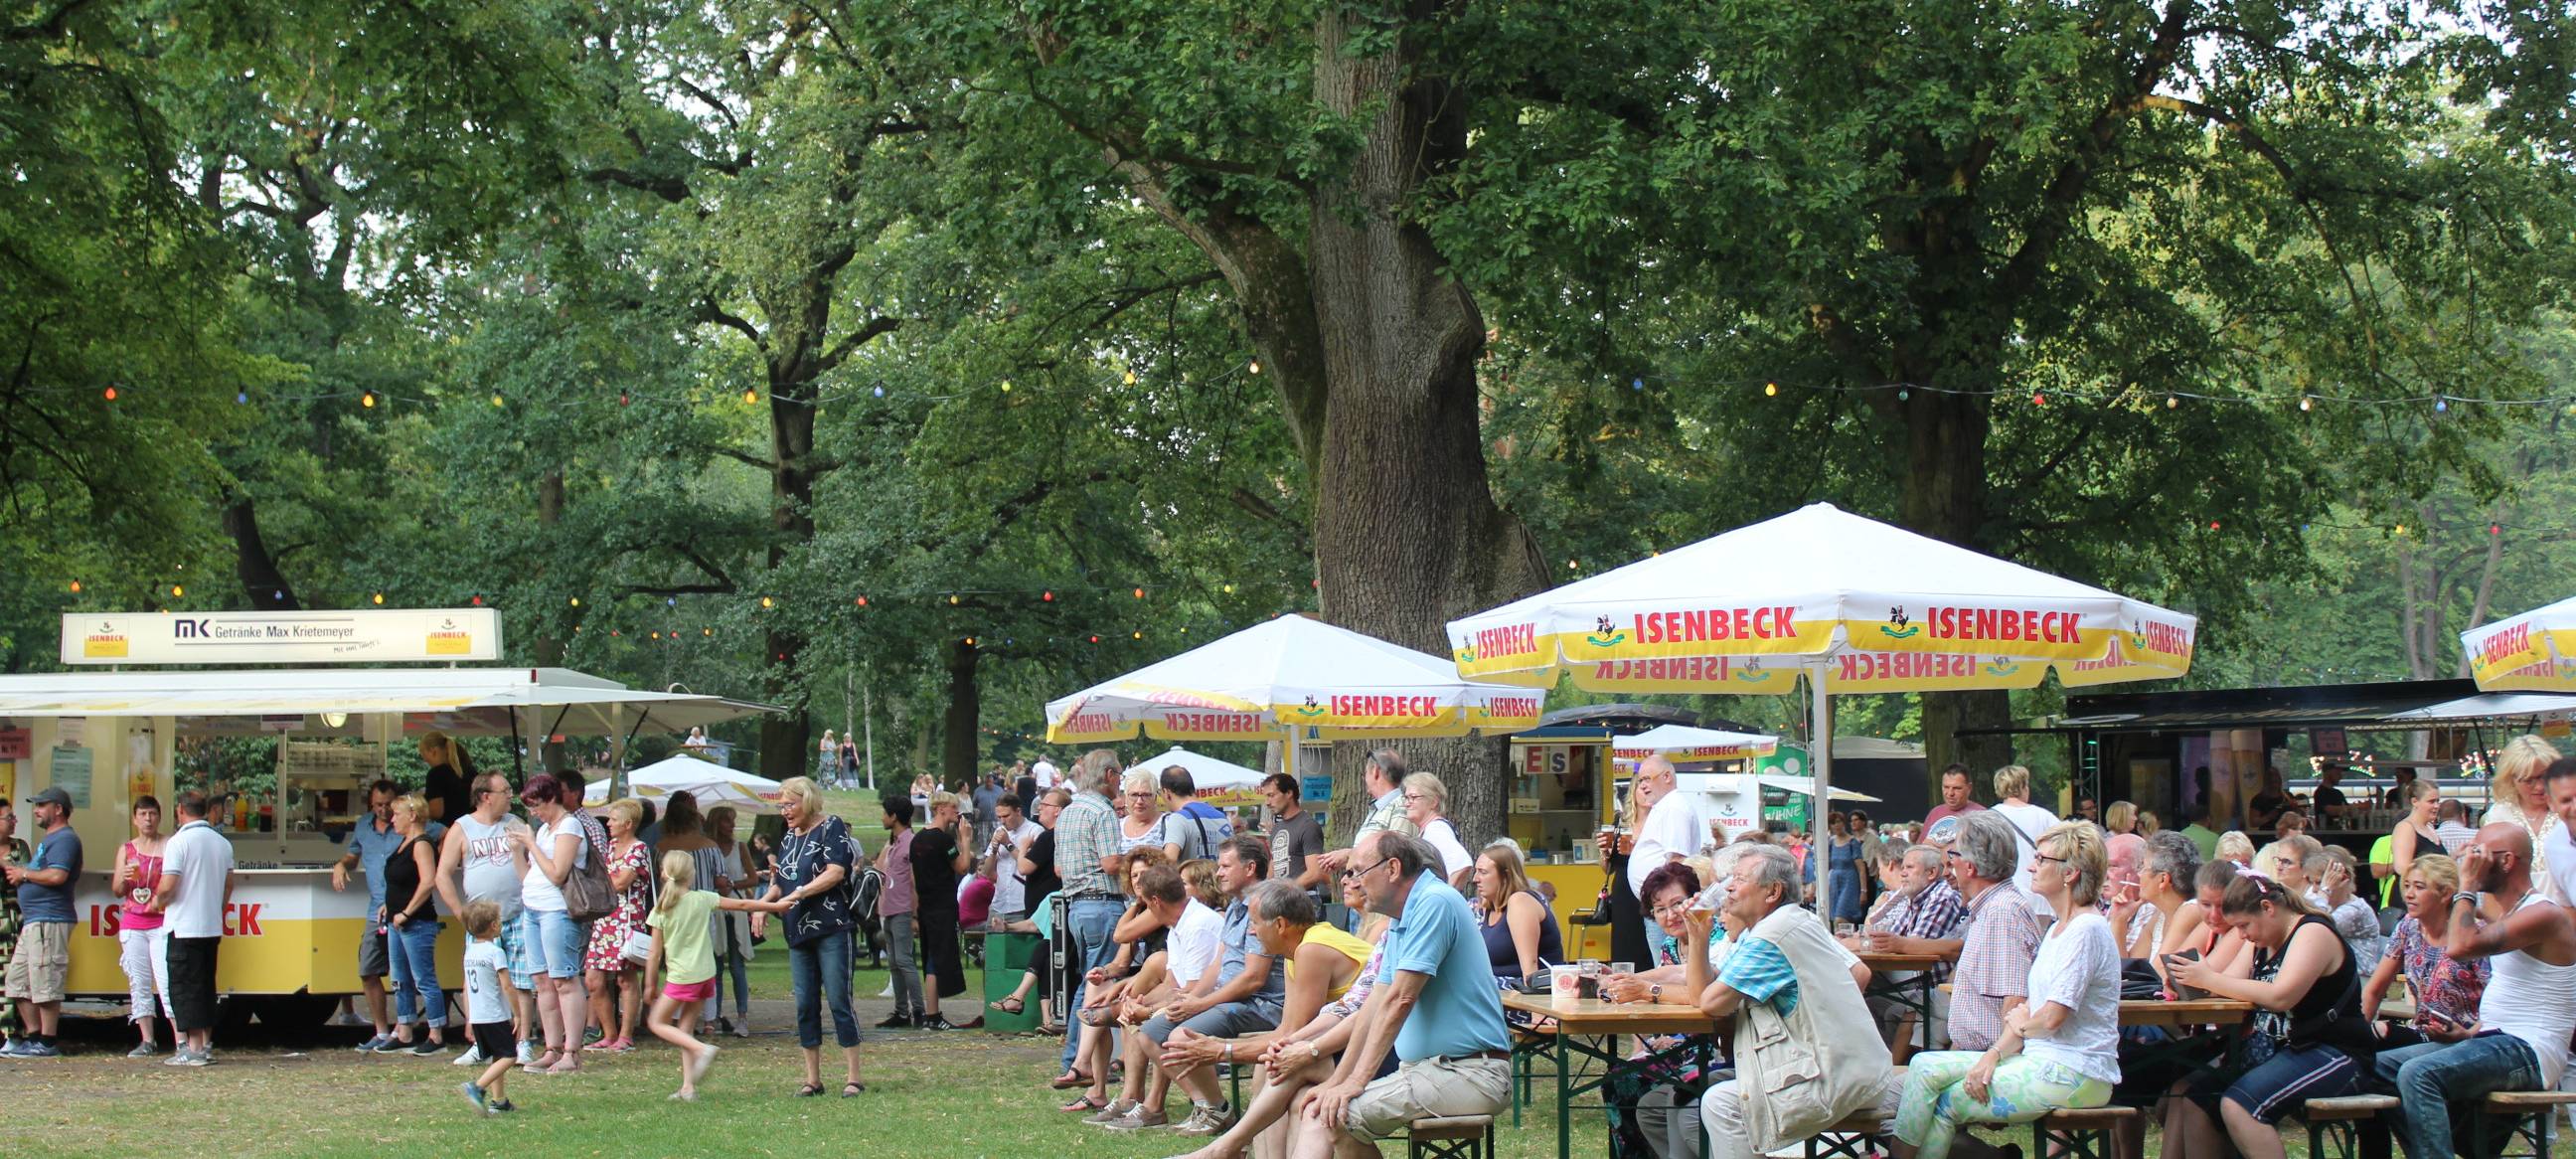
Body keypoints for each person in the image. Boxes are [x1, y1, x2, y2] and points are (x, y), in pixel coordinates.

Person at [1892, 822, 2121, 1159]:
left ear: (2070, 873)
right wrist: (1994, 1054)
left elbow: (2051, 1018)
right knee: (1923, 1066)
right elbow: (2031, 1012)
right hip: (2044, 1062)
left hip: (2075, 1072)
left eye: (2041, 859)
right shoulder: (2059, 928)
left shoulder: (2085, 930)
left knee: (1944, 1100)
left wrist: (2020, 1025)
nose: (2031, 866)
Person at [1280, 833, 1512, 1159]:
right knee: (1324, 1109)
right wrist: (1340, 1081)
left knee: (1334, 1116)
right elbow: (1374, 1005)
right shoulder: (1402, 916)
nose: (1352, 881)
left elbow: (1400, 999)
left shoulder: (1434, 902)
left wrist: (1356, 1081)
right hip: (1434, 1071)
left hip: (1471, 1073)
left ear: (1392, 868)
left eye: (1358, 871)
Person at [2374, 817, 2576, 1159]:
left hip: (2530, 1050)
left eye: (2478, 852)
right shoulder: (2509, 914)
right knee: (2378, 1067)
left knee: (2419, 1074)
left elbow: (2460, 947)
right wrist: (2468, 1034)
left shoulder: (2543, 913)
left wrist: (2465, 884)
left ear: (2507, 861)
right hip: (2493, 1039)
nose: (2469, 856)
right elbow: (2512, 993)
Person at [1684, 842, 1894, 1159]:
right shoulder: (1791, 922)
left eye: (1739, 879)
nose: (1728, 887)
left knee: (1720, 1103)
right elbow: (1704, 998)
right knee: (1722, 1094)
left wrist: (1697, 940)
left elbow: (1710, 1004)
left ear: (1773, 892)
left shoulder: (1772, 936)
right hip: (1852, 1069)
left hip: (1837, 1078)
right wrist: (1698, 936)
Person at [2164, 868, 2373, 1157]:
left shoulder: (2312, 932)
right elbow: (2227, 986)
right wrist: (2188, 982)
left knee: (2240, 1106)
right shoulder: (2261, 942)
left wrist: (2209, 979)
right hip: (2284, 1050)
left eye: (2244, 926)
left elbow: (2281, 996)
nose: (2242, 935)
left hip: (2333, 1051)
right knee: (2197, 1099)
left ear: (2267, 907)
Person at [1109, 836, 1285, 1134]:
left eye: (1226, 866)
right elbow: (1218, 965)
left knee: (1179, 1036)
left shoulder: (1263, 906)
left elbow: (1253, 979)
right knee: (1151, 1032)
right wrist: (1190, 999)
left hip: (1259, 1004)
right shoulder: (1236, 907)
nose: (1219, 873)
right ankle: (1210, 1106)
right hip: (1230, 999)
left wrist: (1200, 1003)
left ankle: (1216, 1110)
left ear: (1250, 868)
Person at [750, 775, 867, 1096]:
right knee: (805, 1004)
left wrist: (800, 893)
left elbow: (835, 872)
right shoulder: (789, 837)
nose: (785, 811)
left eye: (790, 804)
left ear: (808, 800)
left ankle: (853, 1077)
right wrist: (762, 906)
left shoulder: (831, 827)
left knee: (839, 1000)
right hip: (797, 933)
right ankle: (813, 1079)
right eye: (781, 806)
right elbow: (780, 881)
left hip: (832, 928)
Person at [640, 849, 773, 1100]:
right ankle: (688, 1088)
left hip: (682, 978)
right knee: (685, 1028)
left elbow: (654, 954)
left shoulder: (662, 909)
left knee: (656, 1022)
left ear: (663, 873)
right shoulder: (703, 898)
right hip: (706, 976)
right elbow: (743, 904)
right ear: (691, 875)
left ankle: (701, 1049)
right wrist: (775, 905)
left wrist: (649, 985)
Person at [435, 771, 535, 1068]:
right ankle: (481, 1044)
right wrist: (460, 913)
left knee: (521, 980)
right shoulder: (461, 828)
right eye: (505, 790)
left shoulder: (514, 823)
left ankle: (524, 1042)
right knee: (477, 980)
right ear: (485, 796)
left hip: (516, 914)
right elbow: (442, 875)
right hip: (480, 921)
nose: (511, 795)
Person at [1051, 750, 1127, 1086]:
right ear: (1109, 775)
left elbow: (1058, 868)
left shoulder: (1067, 812)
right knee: (1097, 985)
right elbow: (1111, 864)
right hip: (1102, 904)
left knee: (1088, 982)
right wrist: (1142, 859)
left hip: (1076, 907)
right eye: (1119, 775)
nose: (1120, 781)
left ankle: (1082, 1061)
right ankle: (1076, 1062)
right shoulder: (1102, 811)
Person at [1850, 844, 1968, 1058]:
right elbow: (1888, 936)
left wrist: (1862, 943)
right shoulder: (1916, 896)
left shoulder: (1942, 896)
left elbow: (1910, 945)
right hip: (1925, 981)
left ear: (1931, 873)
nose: (1902, 873)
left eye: (1909, 867)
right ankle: (1882, 1062)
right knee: (1868, 999)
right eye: (1902, 867)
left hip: (1931, 981)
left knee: (1862, 981)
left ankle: (1886, 1065)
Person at [508, 773, 590, 1074]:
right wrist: (517, 850)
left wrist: (531, 843)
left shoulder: (569, 826)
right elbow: (528, 875)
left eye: (537, 805)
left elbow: (557, 874)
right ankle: (552, 1048)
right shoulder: (544, 830)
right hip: (532, 909)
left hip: (557, 910)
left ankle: (572, 1051)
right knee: (542, 982)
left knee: (564, 979)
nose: (534, 813)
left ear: (552, 798)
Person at [2361, 852, 2487, 1047]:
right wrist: (2356, 1039)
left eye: (2419, 887)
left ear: (2446, 893)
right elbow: (2375, 990)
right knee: (2372, 1034)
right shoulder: (2408, 926)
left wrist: (2468, 1035)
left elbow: (2499, 1004)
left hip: (2468, 1040)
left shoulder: (2475, 933)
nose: (2409, 894)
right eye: (2406, 886)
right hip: (2424, 1034)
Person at [150, 790, 235, 1067]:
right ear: (206, 810)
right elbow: (229, 885)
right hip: (211, 925)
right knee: (205, 986)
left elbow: (168, 884)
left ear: (180, 810)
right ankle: (206, 1044)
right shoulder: (222, 843)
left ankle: (194, 1048)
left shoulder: (178, 842)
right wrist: (217, 909)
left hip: (184, 926)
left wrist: (157, 902)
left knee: (185, 988)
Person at [2, 785, 80, 1057]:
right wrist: (18, 871)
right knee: (17, 982)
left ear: (58, 809)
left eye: (41, 805)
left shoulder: (66, 839)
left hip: (50, 918)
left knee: (46, 983)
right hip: (34, 920)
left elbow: (57, 876)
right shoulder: (49, 840)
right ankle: (34, 1038)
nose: (35, 811)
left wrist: (24, 874)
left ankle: (47, 1042)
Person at [331, 779, 406, 1051]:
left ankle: (405, 1030)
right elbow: (353, 854)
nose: (383, 811)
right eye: (378, 805)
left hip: (405, 907)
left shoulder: (407, 820)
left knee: (405, 972)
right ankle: (382, 1032)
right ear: (370, 804)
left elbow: (443, 833)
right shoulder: (364, 825)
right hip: (376, 909)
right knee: (368, 970)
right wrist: (341, 865)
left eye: (388, 805)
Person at [575, 798, 650, 1054]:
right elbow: (610, 879)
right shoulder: (612, 847)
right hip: (605, 919)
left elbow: (620, 883)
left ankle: (625, 1036)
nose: (608, 823)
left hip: (626, 920)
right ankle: (609, 1034)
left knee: (625, 979)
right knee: (593, 980)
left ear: (628, 824)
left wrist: (602, 879)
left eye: (614, 819)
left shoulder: (639, 848)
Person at [376, 792, 449, 1055]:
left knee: (423, 978)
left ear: (413, 816)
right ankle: (405, 1029)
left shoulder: (421, 844)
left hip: (415, 922)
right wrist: (390, 906)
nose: (392, 819)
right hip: (397, 920)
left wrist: (406, 912)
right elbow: (401, 881)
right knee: (399, 979)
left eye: (397, 814)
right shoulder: (404, 843)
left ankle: (436, 1034)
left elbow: (428, 881)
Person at [1627, 754, 1710, 949]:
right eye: (1640, 781)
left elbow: (1677, 861)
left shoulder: (1674, 807)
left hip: (1668, 907)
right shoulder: (1665, 807)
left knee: (1669, 961)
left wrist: (1667, 907)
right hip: (1662, 906)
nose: (1643, 785)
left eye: (1647, 779)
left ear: (1667, 777)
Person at [112, 794, 173, 1057]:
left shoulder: (169, 845)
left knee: (166, 981)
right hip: (133, 922)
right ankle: (147, 1040)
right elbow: (117, 891)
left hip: (161, 921)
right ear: (135, 819)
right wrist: (124, 878)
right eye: (143, 814)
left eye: (152, 814)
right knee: (139, 982)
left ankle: (182, 1040)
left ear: (159, 817)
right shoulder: (126, 849)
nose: (148, 819)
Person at [911, 790, 974, 1030]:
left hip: (925, 906)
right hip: (943, 907)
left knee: (930, 956)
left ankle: (932, 1014)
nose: (957, 811)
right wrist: (965, 839)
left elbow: (913, 879)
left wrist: (915, 911)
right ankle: (933, 1015)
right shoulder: (944, 840)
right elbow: (962, 867)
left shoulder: (918, 839)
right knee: (938, 959)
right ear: (940, 809)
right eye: (953, 807)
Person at [455, 899, 523, 1114]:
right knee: (510, 1056)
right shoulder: (495, 952)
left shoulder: (470, 952)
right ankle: (477, 1087)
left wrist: (468, 1018)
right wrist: (518, 1014)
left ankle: (499, 1101)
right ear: (494, 925)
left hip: (478, 1015)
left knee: (497, 1055)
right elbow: (507, 986)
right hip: (494, 1014)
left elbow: (467, 987)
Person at [1313, 750, 1420, 880]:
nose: (1364, 779)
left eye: (1365, 773)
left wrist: (1348, 855)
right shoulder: (1378, 808)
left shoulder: (1401, 806)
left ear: (1375, 771)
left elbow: (1397, 855)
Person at [1470, 840, 1562, 987]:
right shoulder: (1489, 909)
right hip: (1494, 993)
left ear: (1505, 876)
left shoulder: (1520, 902)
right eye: (1476, 871)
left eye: (1483, 872)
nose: (1475, 879)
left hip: (1522, 995)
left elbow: (1531, 971)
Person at [2487, 735, 2565, 902]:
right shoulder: (2500, 814)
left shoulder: (2568, 808)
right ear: (2511, 779)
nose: (2539, 787)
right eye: (2528, 780)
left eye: (2544, 776)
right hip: (2517, 910)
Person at [703, 804, 755, 1038]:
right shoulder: (707, 848)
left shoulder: (739, 847)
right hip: (715, 908)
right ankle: (714, 1015)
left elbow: (753, 878)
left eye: (732, 821)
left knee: (736, 965)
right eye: (727, 821)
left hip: (735, 908)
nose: (732, 826)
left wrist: (732, 884)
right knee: (715, 966)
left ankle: (742, 1016)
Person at [1989, 765, 2058, 915]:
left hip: (2003, 895)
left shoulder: (1989, 818)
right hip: (2041, 896)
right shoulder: (2045, 816)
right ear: (2023, 786)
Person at [1263, 773, 1329, 900]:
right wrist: (1265, 893)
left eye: (1271, 795)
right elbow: (1274, 866)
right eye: (1266, 797)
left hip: (1304, 899)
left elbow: (1315, 873)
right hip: (1280, 901)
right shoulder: (1276, 828)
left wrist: (1283, 892)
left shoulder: (1308, 825)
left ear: (1289, 793)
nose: (1267, 803)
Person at [982, 792, 1044, 923]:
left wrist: (1008, 844)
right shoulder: (999, 831)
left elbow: (1029, 865)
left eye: (1006, 816)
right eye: (999, 817)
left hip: (1022, 905)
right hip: (998, 905)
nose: (1002, 821)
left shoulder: (1035, 831)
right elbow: (986, 873)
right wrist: (993, 851)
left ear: (1018, 811)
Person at [1401, 772, 1474, 881]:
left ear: (1433, 802)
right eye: (1406, 798)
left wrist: (1445, 890)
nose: (1407, 803)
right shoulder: (1430, 829)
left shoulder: (1435, 829)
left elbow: (1462, 864)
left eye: (1413, 797)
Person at [0, 800, 26, 1053]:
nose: (13, 821)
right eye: (9, 818)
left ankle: (11, 1034)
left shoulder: (19, 847)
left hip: (10, 921)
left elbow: (25, 877)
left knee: (10, 978)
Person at [417, 731, 474, 824]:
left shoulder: (436, 774)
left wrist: (418, 806)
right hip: (472, 826)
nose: (424, 759)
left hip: (450, 828)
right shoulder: (471, 771)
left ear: (433, 751)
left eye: (422, 753)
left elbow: (436, 812)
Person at [1826, 810, 1866, 922]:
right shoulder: (1831, 842)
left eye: (1838, 822)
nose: (1836, 825)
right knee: (1834, 918)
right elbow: (1827, 865)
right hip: (1834, 882)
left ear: (1843, 823)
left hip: (1850, 882)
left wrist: (1863, 891)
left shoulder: (1853, 842)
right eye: (1833, 823)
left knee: (1840, 918)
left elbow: (1861, 868)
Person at [2245, 766, 2292, 834]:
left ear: (2280, 781)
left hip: (2285, 835)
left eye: (2276, 780)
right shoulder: (2258, 799)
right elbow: (2253, 823)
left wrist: (2296, 809)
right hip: (2267, 836)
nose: (2274, 782)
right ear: (2266, 781)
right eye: (2271, 781)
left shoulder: (2287, 797)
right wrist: (2268, 817)